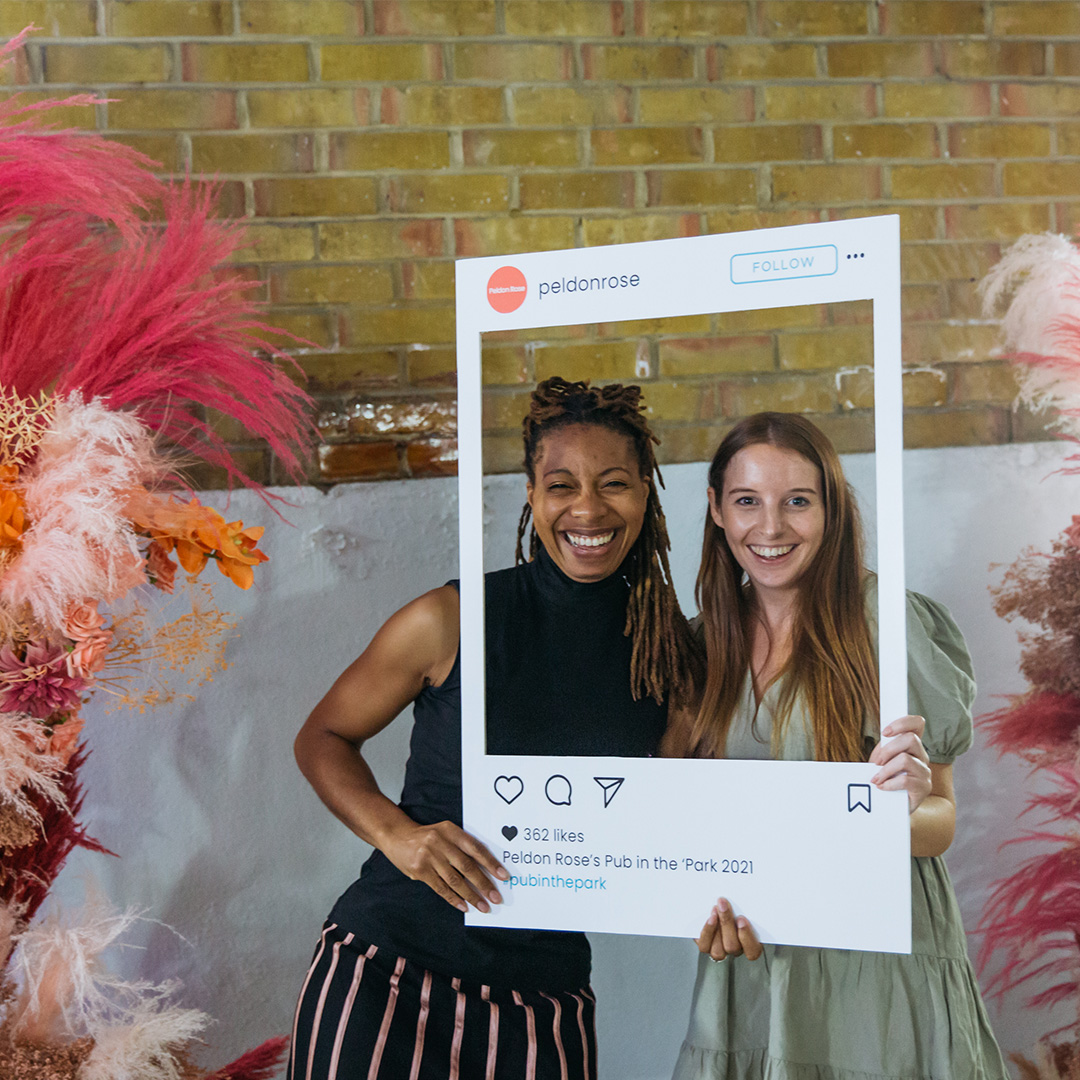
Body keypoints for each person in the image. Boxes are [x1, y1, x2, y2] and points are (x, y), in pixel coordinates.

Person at [288, 377, 747, 1080]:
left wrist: (724, 907)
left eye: (615, 484)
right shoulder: (451, 619)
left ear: (647, 494)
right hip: (387, 970)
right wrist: (397, 837)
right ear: (532, 497)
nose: (587, 508)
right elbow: (322, 737)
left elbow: (677, 831)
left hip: (544, 997)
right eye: (561, 485)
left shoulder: (674, 662)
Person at [665, 412, 1009, 1080]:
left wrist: (898, 810)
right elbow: (684, 827)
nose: (771, 528)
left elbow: (940, 822)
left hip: (874, 965)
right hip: (753, 959)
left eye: (797, 501)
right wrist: (694, 898)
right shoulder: (698, 645)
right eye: (747, 501)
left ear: (832, 508)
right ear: (714, 509)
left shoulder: (881, 623)